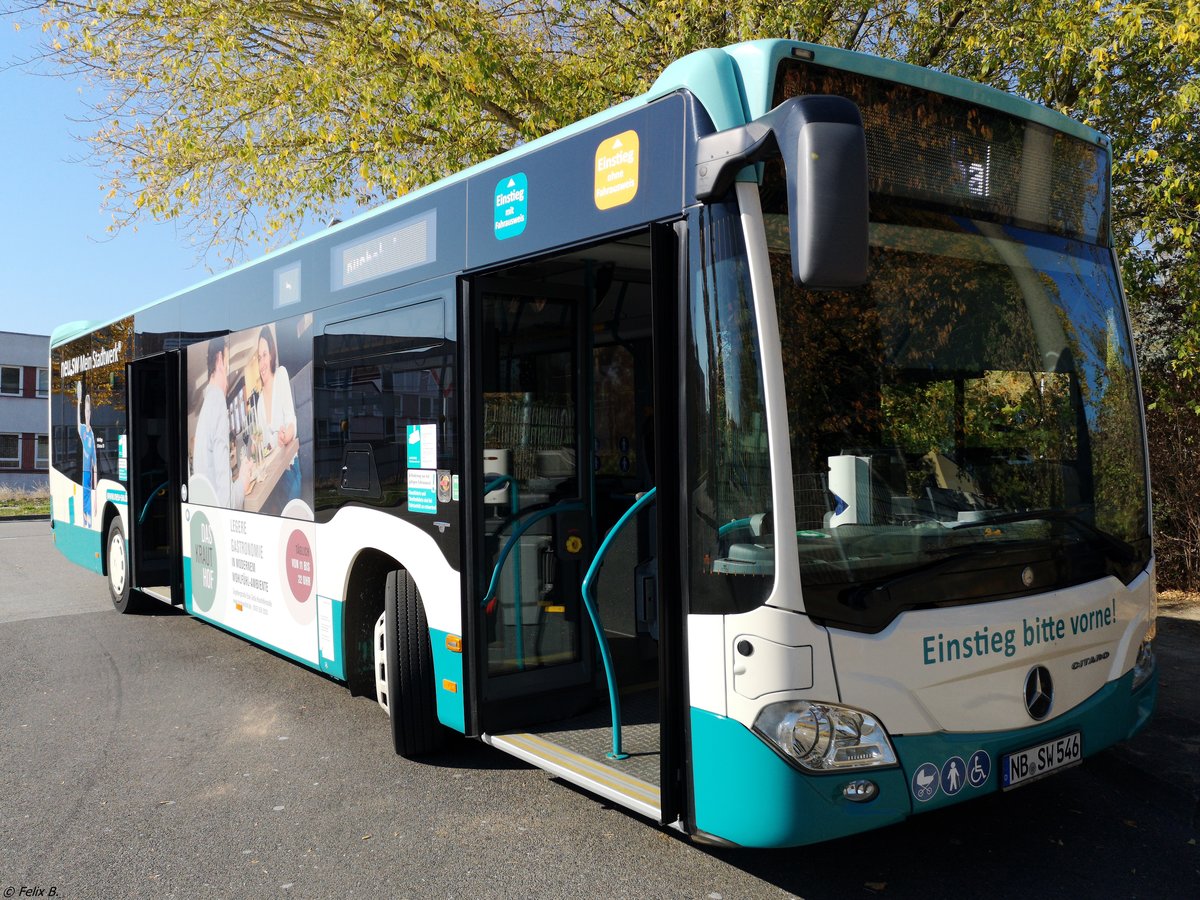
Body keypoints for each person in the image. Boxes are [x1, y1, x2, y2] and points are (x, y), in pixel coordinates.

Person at [192, 337, 251, 508]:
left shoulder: (206, 409)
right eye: (227, 366)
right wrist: (243, 481)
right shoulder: (217, 402)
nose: (227, 376)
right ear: (219, 360)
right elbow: (226, 503)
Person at [255, 325, 301, 510]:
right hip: (272, 479)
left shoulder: (281, 375)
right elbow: (265, 446)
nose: (262, 363)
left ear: (272, 353)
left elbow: (291, 420)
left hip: (289, 469)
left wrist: (287, 435)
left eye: (264, 355)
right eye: (259, 358)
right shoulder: (258, 403)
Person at [76, 382, 96, 527]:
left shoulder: (92, 434)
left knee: (89, 496)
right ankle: (85, 521)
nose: (87, 414)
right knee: (84, 496)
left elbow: (95, 460)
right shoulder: (83, 430)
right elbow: (78, 423)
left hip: (90, 471)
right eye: (85, 411)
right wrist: (78, 403)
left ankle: (88, 521)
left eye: (89, 411)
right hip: (84, 471)